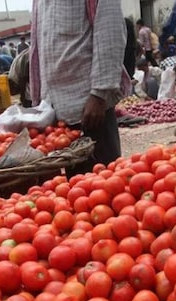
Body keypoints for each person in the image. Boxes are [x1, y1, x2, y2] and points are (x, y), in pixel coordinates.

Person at [30, 0, 128, 173]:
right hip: (56, 115)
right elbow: (39, 46)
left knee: (103, 184)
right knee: (69, 192)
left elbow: (110, 32)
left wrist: (99, 94)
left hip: (89, 107)